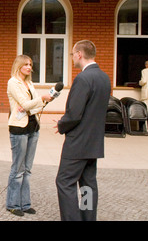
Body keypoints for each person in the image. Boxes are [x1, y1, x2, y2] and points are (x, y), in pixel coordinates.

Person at [55, 40, 111, 221]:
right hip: (94, 142)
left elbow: (74, 113)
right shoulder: (104, 77)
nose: (72, 58)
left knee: (65, 182)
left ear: (79, 54)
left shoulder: (83, 78)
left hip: (78, 143)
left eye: (72, 54)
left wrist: (61, 124)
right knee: (88, 185)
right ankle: (88, 218)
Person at [6, 54, 52, 216]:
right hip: (19, 129)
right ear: (18, 65)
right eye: (26, 64)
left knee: (27, 169)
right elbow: (25, 104)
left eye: (30, 64)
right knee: (17, 169)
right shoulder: (13, 82)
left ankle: (25, 204)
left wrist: (42, 101)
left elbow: (31, 107)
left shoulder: (29, 83)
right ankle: (12, 204)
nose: (29, 67)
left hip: (33, 127)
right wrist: (39, 100)